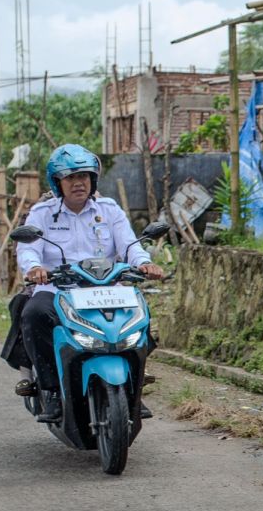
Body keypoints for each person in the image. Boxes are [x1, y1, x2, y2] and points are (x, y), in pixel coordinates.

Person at [17, 144, 163, 423]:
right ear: (57, 182)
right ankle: (51, 390)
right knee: (33, 313)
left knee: (139, 312)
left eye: (84, 176)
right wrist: (34, 268)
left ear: (93, 179)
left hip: (106, 288)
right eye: (71, 177)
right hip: (59, 289)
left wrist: (145, 263)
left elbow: (130, 245)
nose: (78, 183)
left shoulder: (109, 210)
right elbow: (28, 249)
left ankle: (134, 383)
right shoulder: (42, 212)